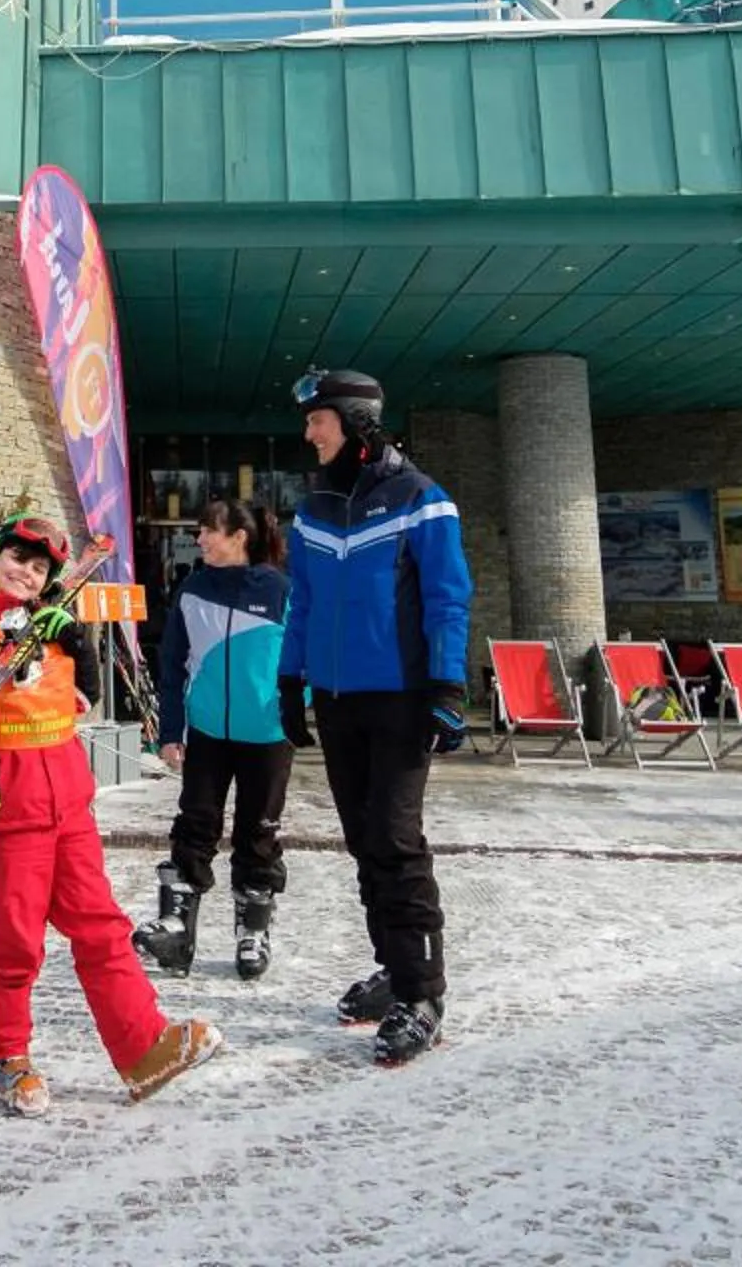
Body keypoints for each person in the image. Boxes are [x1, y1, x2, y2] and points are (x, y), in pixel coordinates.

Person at [0, 512, 222, 1117]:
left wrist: (74, 634)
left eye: (39, 568)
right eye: (17, 560)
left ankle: (143, 1048)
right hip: (12, 810)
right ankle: (5, 1057)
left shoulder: (54, 629)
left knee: (103, 928)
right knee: (13, 944)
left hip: (70, 806)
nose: (26, 574)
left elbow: (86, 692)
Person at [280, 368, 472, 1068]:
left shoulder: (423, 500)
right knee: (364, 840)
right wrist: (289, 677)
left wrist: (448, 687)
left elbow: (449, 599)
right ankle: (394, 968)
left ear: (352, 420)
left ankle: (423, 994)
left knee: (395, 839)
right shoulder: (314, 507)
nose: (308, 433)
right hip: (336, 701)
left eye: (316, 420)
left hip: (399, 697)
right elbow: (300, 601)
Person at [134, 498, 293, 981]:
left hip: (267, 735)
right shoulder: (192, 589)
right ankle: (177, 931)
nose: (199, 539)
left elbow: (302, 660)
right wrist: (169, 731)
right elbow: (173, 663)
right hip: (206, 731)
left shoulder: (280, 590)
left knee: (258, 831)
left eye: (207, 531)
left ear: (238, 537)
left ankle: (252, 933)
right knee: (194, 824)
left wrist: (296, 710)